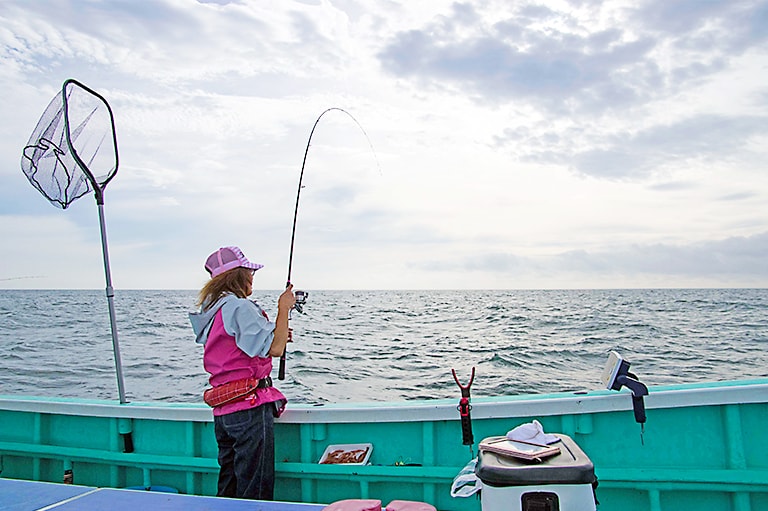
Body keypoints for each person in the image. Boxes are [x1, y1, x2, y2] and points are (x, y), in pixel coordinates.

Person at [189, 246, 295, 500]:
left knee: (230, 480)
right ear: (238, 275)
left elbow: (237, 348)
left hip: (224, 409)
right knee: (254, 485)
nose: (252, 279)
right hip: (248, 407)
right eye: (249, 273)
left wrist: (277, 332)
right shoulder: (239, 307)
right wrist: (284, 309)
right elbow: (276, 348)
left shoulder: (212, 310)